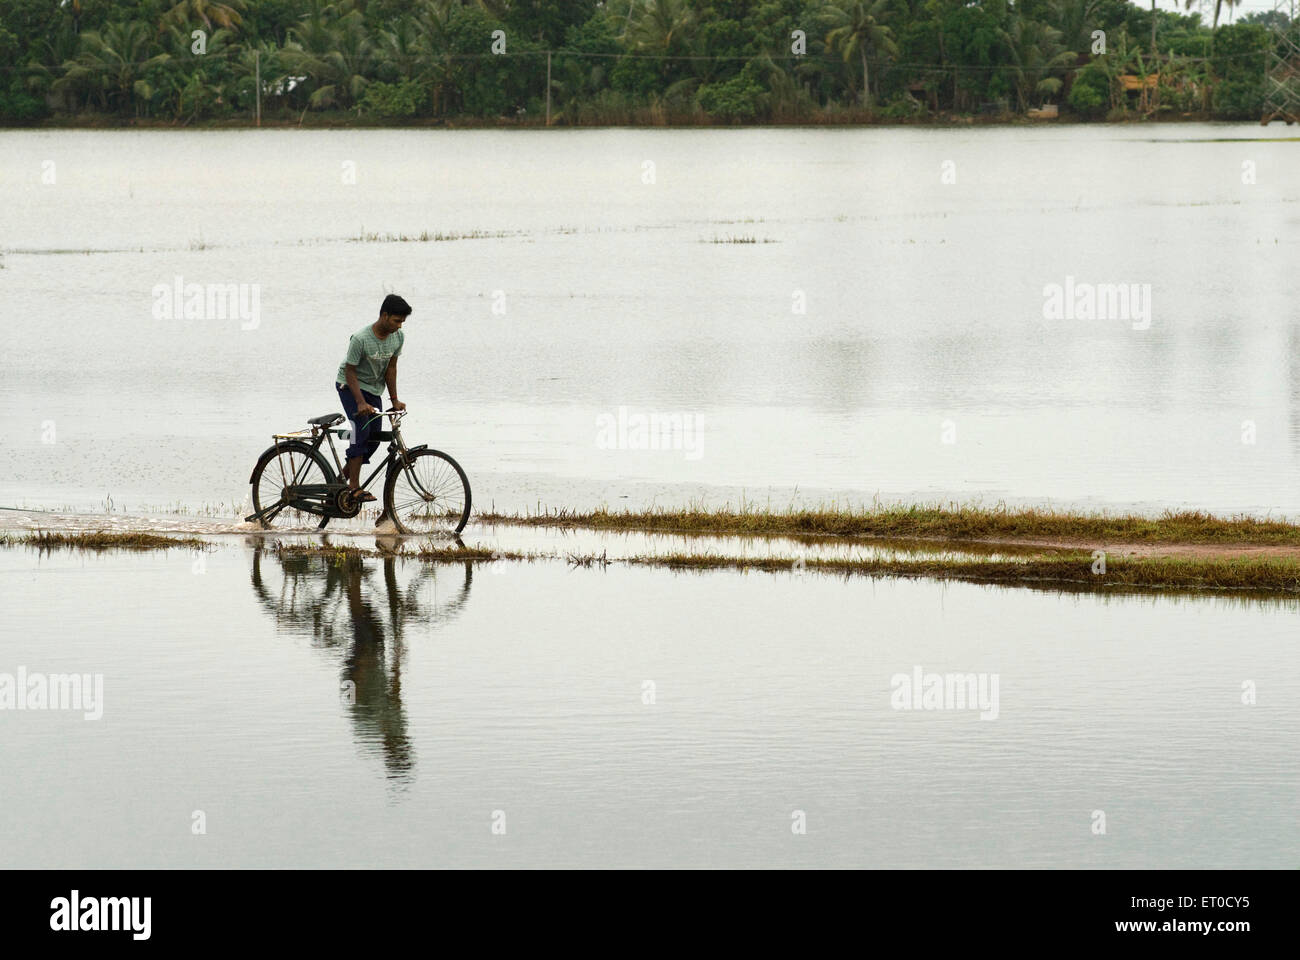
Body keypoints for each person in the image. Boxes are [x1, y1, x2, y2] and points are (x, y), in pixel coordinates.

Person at [336, 294, 410, 502]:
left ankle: (340, 480)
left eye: (403, 322)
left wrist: (394, 399)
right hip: (350, 386)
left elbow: (391, 368)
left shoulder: (398, 337)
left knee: (375, 437)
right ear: (384, 316)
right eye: (397, 321)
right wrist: (360, 402)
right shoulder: (360, 338)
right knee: (362, 430)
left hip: (373, 389)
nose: (399, 326)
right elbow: (350, 372)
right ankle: (353, 488)